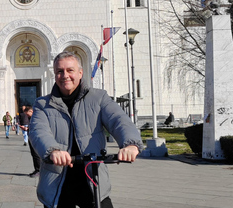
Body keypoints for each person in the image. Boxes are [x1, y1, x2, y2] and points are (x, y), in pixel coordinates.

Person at [29, 52, 143, 208]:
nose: (65, 75)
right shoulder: (42, 104)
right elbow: (38, 131)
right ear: (55, 74)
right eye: (60, 71)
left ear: (80, 72)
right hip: (57, 182)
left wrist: (130, 144)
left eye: (70, 70)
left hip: (93, 179)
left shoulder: (99, 98)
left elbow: (119, 120)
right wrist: (53, 151)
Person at [24, 106, 42, 178]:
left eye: (27, 114)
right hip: (31, 136)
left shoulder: (36, 117)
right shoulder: (31, 118)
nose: (27, 115)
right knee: (33, 154)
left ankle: (39, 170)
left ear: (31, 111)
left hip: (35, 138)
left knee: (36, 154)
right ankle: (36, 169)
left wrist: (27, 128)